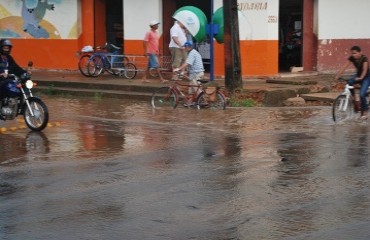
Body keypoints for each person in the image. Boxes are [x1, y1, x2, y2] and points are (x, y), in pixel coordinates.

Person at [335, 45, 370, 120]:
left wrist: (361, 78)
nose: (353, 55)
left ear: (360, 53)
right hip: (357, 75)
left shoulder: (364, 59)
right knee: (349, 82)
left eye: (355, 53)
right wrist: (337, 75)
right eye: (352, 53)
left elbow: (364, 70)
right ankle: (354, 100)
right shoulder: (352, 58)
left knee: (362, 94)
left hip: (366, 77)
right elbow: (344, 66)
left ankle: (365, 111)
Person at [173, 41, 205, 105]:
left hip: (196, 74)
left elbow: (187, 63)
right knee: (191, 90)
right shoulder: (192, 52)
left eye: (185, 47)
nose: (184, 48)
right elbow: (189, 64)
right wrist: (184, 72)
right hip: (195, 73)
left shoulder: (192, 53)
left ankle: (204, 101)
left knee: (196, 90)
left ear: (188, 47)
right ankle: (190, 103)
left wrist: (179, 69)